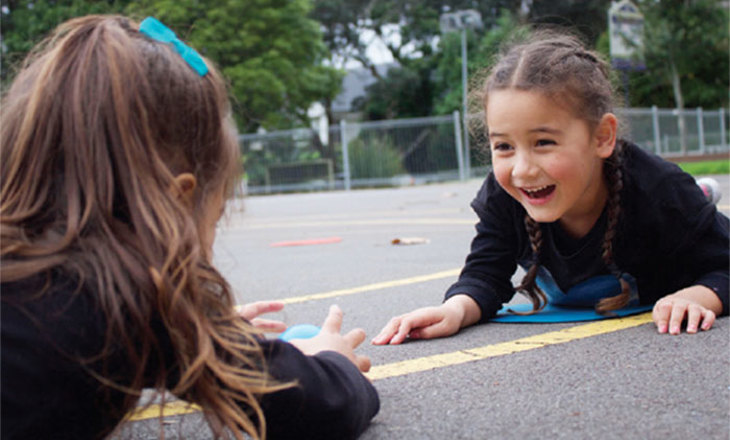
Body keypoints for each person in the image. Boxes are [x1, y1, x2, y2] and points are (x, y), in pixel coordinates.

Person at [1, 15, 378, 440]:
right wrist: (336, 360)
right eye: (214, 217)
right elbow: (322, 406)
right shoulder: (135, 295)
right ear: (178, 199)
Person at [373, 30, 729, 345]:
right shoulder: (504, 194)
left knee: (690, 208)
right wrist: (455, 310)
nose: (523, 170)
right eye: (504, 147)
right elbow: (486, 273)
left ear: (602, 136)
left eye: (543, 142)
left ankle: (700, 196)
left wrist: (702, 295)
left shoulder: (659, 192)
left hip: (671, 213)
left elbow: (724, 265)